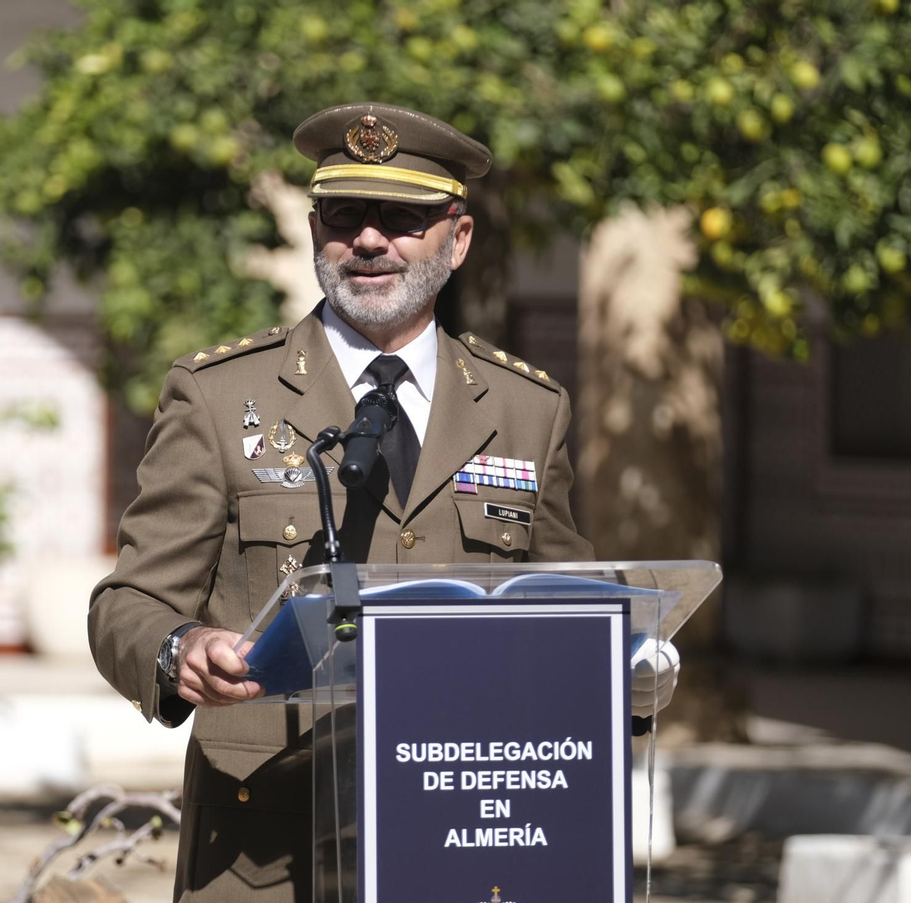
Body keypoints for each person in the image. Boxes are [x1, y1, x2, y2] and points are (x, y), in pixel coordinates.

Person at [89, 102, 678, 903]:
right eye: (344, 215)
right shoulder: (221, 396)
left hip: (461, 847)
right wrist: (179, 646)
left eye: (402, 217)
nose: (369, 240)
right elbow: (129, 603)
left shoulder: (526, 410)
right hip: (267, 849)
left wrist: (628, 664)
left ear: (458, 238)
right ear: (313, 229)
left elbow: (567, 607)